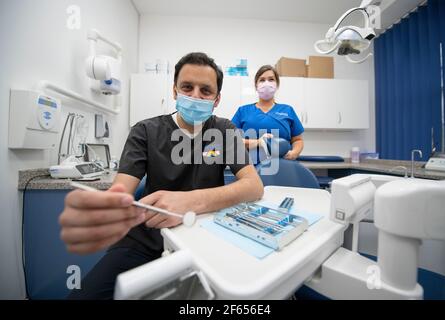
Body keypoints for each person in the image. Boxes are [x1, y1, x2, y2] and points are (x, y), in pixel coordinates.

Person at [59, 52, 264, 299]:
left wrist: (190, 202)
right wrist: (107, 210)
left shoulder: (224, 130)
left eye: (205, 91)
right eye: (187, 87)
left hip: (206, 241)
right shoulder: (145, 131)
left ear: (217, 99)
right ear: (175, 91)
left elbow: (253, 186)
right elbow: (120, 192)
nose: (195, 96)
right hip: (145, 241)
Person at [232, 65, 304, 162]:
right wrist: (258, 142)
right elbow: (232, 140)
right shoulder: (243, 111)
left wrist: (294, 152)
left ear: (277, 84)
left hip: (284, 167)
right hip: (250, 168)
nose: (266, 83)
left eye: (271, 79)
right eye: (262, 80)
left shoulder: (287, 110)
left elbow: (297, 140)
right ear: (256, 85)